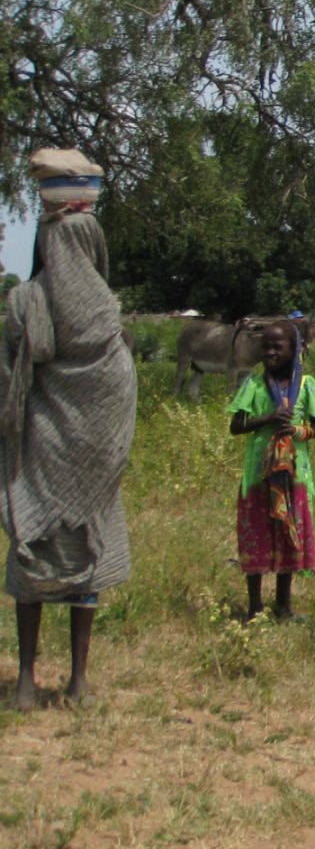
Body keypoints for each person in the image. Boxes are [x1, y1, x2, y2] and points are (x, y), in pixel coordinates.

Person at [2, 149, 136, 709]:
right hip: (93, 468)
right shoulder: (109, 322)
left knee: (33, 552)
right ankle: (78, 682)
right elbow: (121, 392)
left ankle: (28, 683)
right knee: (87, 554)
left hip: (38, 457)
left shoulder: (22, 303)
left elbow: (9, 383)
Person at [229, 319, 315, 619]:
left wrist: (297, 431)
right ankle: (254, 606)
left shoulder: (306, 385)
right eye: (265, 347)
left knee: (290, 536)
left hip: (294, 474)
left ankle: (283, 605)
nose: (270, 352)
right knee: (257, 533)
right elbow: (236, 426)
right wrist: (267, 419)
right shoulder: (254, 384)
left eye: (277, 346)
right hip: (259, 473)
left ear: (294, 349)